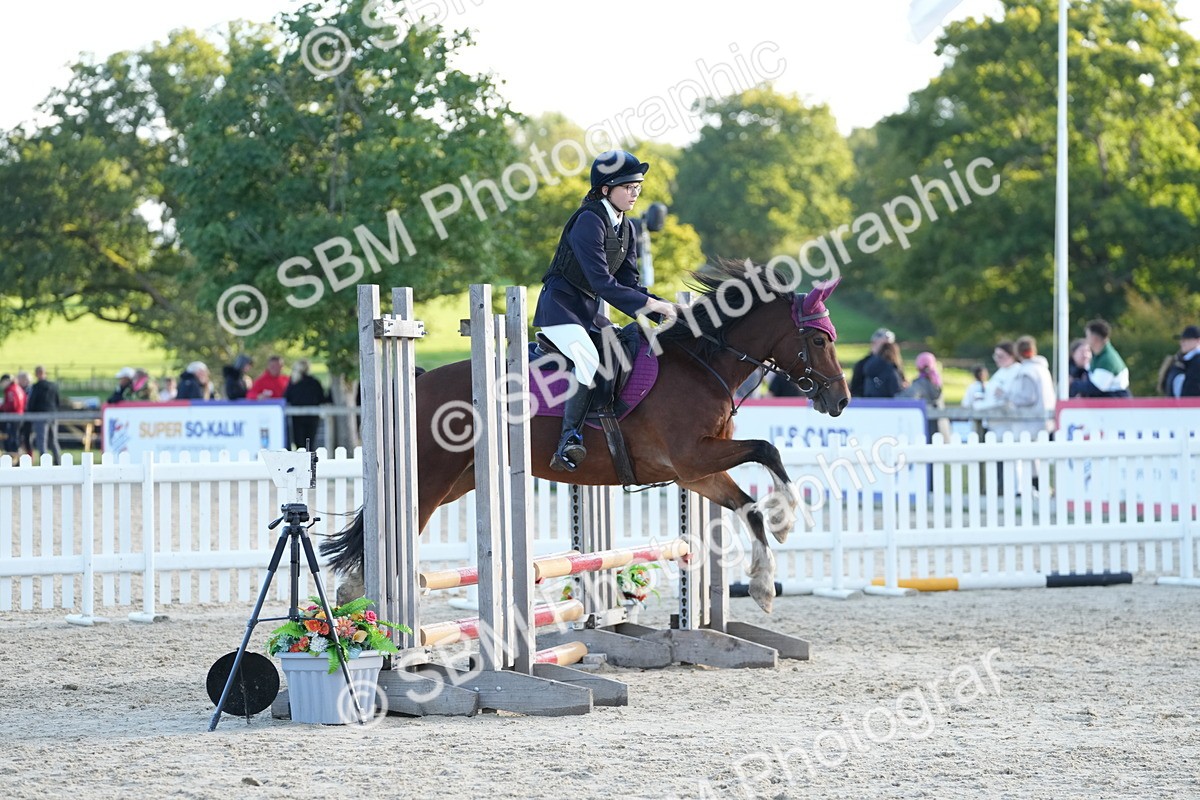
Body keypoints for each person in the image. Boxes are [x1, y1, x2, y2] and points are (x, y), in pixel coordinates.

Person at [532, 149, 677, 472]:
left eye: (638, 186)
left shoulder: (627, 228)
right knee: (587, 358)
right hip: (560, 310)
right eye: (628, 186)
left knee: (624, 349)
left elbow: (630, 284)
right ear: (605, 189)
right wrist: (651, 306)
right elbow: (602, 283)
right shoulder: (588, 221)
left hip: (587, 313)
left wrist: (666, 311)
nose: (635, 193)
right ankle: (568, 440)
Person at [1009, 335, 1057, 439]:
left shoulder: (1027, 371)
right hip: (1047, 421)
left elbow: (1028, 397)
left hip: (1031, 424)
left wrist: (1009, 397)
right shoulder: (1042, 369)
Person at [900, 351, 947, 440]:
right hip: (942, 427)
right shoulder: (937, 382)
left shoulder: (920, 383)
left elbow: (907, 398)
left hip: (926, 426)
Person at [284, 359, 328, 450]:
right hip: (312, 417)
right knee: (310, 444)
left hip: (297, 418)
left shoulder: (293, 383)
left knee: (300, 445)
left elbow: (287, 397)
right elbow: (321, 398)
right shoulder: (314, 382)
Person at [1085, 319, 1131, 397]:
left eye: (1087, 336)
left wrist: (1074, 384)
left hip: (1116, 402)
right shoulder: (1100, 355)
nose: (1086, 339)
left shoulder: (1107, 359)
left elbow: (1096, 388)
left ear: (1094, 338)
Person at [26, 366, 61, 463]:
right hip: (53, 415)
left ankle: (45, 462)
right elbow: (58, 401)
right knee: (53, 440)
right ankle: (58, 461)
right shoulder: (53, 386)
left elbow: (32, 401)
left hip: (40, 416)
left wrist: (30, 413)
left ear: (36, 374)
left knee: (42, 441)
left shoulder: (36, 387)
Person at [849, 328, 895, 397]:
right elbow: (855, 390)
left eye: (890, 345)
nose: (888, 349)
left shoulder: (893, 364)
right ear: (874, 342)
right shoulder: (862, 364)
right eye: (885, 345)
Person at [1161, 325, 1200, 398]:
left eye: (1187, 339)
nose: (1182, 342)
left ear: (1198, 341)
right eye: (1182, 340)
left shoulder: (1196, 362)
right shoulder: (1182, 361)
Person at [1, 373, 26, 454]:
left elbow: (12, 405)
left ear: (7, 381)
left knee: (11, 439)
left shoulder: (10, 390)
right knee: (16, 437)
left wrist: (2, 407)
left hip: (12, 417)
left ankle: (13, 459)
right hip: (19, 416)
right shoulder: (18, 388)